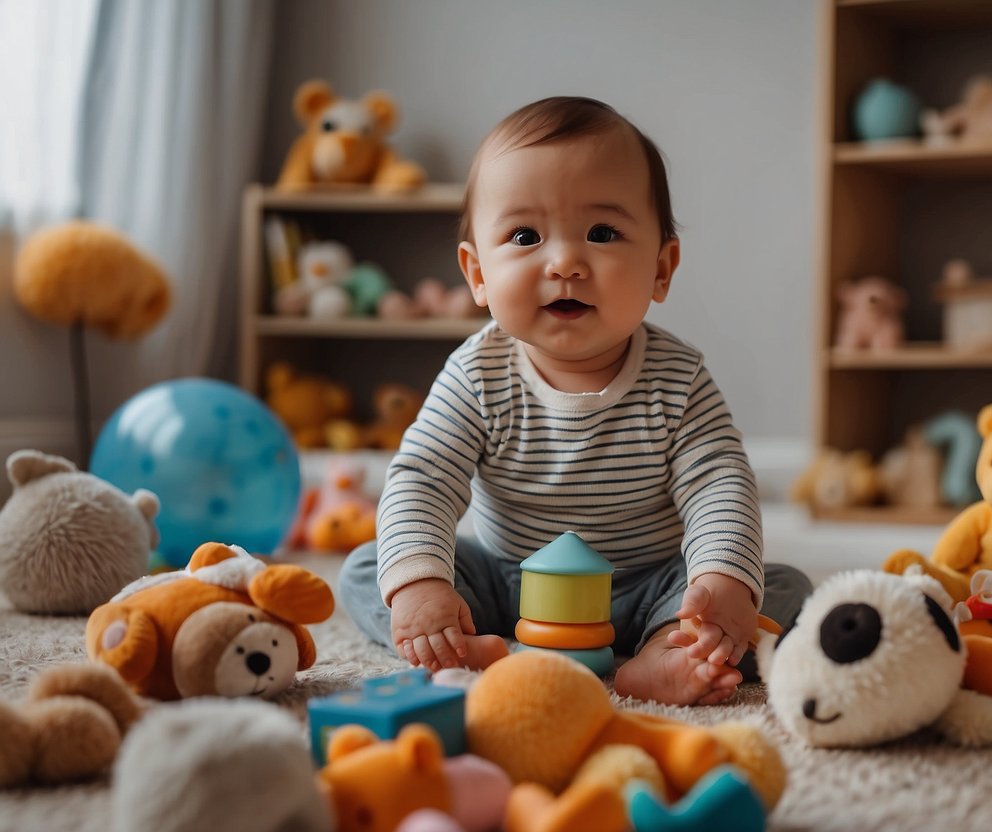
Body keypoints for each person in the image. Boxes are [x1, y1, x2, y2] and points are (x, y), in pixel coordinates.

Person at [339, 96, 811, 705]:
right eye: (526, 236)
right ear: (477, 274)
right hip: (509, 582)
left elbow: (718, 484)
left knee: (776, 589)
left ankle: (663, 651)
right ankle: (479, 648)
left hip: (648, 585)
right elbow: (424, 478)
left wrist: (720, 579)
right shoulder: (477, 373)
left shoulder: (678, 377)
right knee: (371, 571)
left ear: (662, 268)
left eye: (603, 233)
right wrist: (422, 586)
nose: (564, 262)